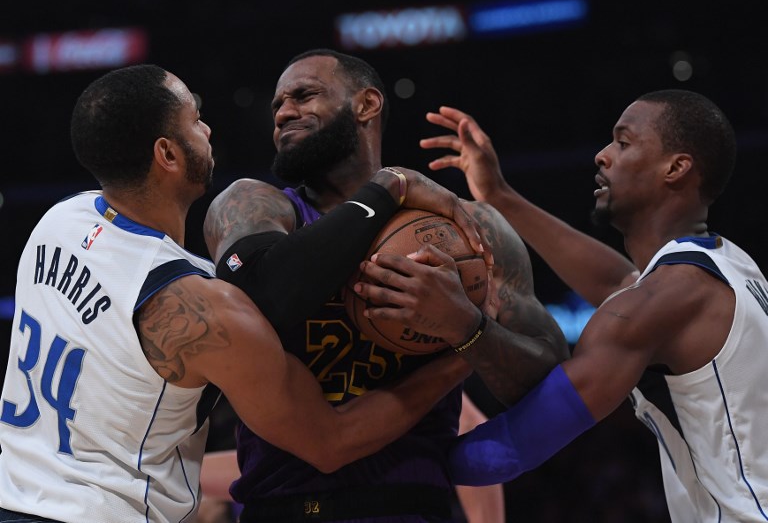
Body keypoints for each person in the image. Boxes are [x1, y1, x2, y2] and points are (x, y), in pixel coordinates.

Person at [0, 64, 479, 523]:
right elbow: (331, 442)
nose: (208, 130)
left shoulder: (60, 223)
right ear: (167, 154)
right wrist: (463, 352)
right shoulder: (204, 309)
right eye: (195, 120)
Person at [355, 92, 768, 521]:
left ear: (676, 168)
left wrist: (367, 447)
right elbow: (616, 281)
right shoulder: (727, 265)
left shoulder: (660, 302)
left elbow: (511, 449)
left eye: (623, 143)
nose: (602, 156)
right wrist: (499, 196)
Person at [202, 49, 569, 522]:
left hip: (416, 507)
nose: (284, 113)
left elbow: (549, 378)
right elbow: (264, 292)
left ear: (366, 105)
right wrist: (387, 187)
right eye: (277, 107)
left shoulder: (470, 229)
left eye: (304, 95)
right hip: (287, 508)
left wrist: (465, 326)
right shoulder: (256, 206)